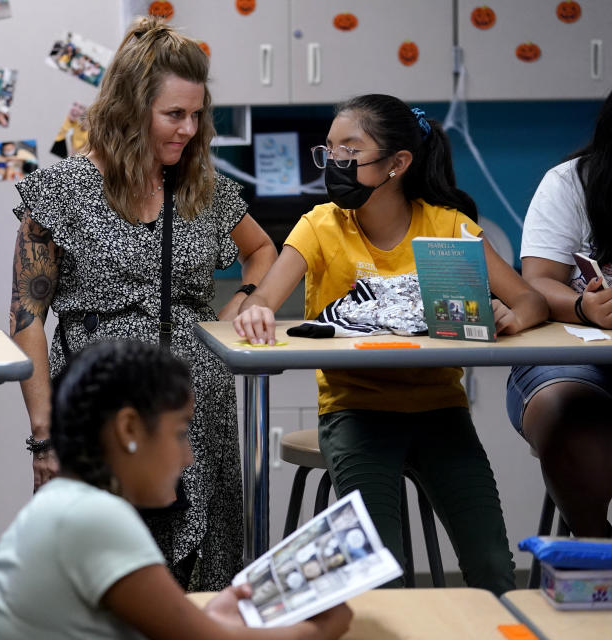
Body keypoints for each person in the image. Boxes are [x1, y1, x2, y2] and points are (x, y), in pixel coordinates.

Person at [232, 94, 549, 595]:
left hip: (439, 410)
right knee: (383, 573)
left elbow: (529, 297)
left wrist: (511, 316)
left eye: (349, 152)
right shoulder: (320, 225)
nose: (334, 164)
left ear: (398, 164)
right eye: (329, 151)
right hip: (356, 411)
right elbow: (267, 296)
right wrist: (256, 308)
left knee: (492, 566)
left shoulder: (447, 225)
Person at [8, 17, 277, 591]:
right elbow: (27, 320)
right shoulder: (60, 190)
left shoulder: (200, 185)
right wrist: (45, 435)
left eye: (196, 114)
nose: (188, 128)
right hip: (102, 409)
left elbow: (262, 249)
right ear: (131, 110)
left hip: (198, 408)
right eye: (173, 114)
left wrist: (240, 306)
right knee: (108, 577)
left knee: (206, 580)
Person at [0, 340, 353, 640]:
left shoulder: (66, 501)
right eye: (180, 432)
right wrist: (321, 630)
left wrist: (213, 613)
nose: (188, 458)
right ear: (129, 429)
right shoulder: (95, 519)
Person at [506, 89, 612, 537]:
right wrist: (586, 308)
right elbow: (536, 282)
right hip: (572, 356)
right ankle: (594, 551)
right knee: (567, 412)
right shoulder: (572, 182)